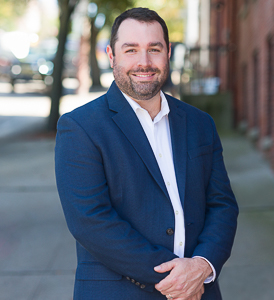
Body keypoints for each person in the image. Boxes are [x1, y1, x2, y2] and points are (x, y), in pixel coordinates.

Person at [55, 7, 238, 300]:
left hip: (200, 290)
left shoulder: (200, 123)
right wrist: (178, 278)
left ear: (168, 54)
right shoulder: (80, 127)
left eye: (154, 49)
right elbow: (90, 220)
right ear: (111, 55)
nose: (144, 62)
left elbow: (222, 206)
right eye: (131, 50)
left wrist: (203, 266)